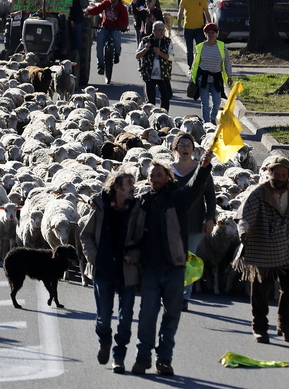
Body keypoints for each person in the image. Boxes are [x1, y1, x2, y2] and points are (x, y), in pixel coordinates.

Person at [129, 151, 213, 377]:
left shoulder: (178, 198)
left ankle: (164, 359)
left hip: (175, 268)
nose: (154, 179)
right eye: (151, 176)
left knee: (171, 315)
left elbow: (195, 187)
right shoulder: (143, 201)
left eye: (158, 175)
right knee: (147, 313)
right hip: (150, 268)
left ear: (167, 177)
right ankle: (143, 356)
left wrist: (204, 166)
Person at [236, 155, 289, 344]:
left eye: (283, 173)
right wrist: (244, 231)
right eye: (276, 173)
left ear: (288, 175)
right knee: (261, 290)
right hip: (264, 246)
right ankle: (260, 328)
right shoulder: (259, 193)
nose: (279, 176)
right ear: (270, 173)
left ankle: (285, 325)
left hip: (286, 246)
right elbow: (246, 215)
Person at [79, 170, 140, 374]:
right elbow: (85, 235)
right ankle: (104, 341)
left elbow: (143, 238)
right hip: (103, 269)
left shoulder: (136, 209)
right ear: (117, 187)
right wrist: (94, 257)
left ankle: (119, 356)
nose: (133, 187)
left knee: (125, 319)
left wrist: (135, 255)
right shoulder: (100, 207)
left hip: (127, 270)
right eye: (129, 184)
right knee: (104, 317)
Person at [169, 133, 216, 310]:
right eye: (181, 144)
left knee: (188, 260)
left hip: (195, 222)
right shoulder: (169, 171)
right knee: (172, 258)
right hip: (172, 223)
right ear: (175, 148)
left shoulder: (202, 171)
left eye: (189, 144)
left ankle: (184, 296)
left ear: (194, 149)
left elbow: (211, 196)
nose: (185, 147)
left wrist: (210, 218)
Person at [191, 23, 233, 123]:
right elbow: (195, 64)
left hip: (216, 78)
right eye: (208, 32)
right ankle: (206, 122)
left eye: (213, 32)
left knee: (217, 101)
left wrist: (229, 76)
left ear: (216, 33)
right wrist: (192, 78)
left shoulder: (222, 46)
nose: (211, 34)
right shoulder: (200, 47)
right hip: (203, 78)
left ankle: (213, 117)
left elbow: (227, 62)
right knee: (205, 102)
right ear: (205, 34)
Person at [85, 0, 129, 76]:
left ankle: (117, 54)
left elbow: (125, 20)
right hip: (105, 27)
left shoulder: (122, 8)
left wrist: (123, 27)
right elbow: (97, 9)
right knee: (99, 44)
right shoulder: (106, 4)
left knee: (117, 38)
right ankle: (100, 66)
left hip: (115, 28)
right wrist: (88, 12)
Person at [135, 20, 173, 111]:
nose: (162, 32)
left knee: (166, 98)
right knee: (150, 101)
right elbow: (137, 55)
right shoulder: (146, 40)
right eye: (159, 30)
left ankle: (164, 116)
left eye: (163, 30)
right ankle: (151, 117)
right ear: (153, 31)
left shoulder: (168, 41)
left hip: (164, 75)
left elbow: (171, 57)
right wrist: (145, 49)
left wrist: (159, 53)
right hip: (149, 75)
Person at [176, 0, 209, 65]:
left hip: (199, 28)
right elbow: (180, 13)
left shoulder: (202, 0)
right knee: (189, 50)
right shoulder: (185, 0)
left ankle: (198, 65)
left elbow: (206, 13)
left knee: (199, 49)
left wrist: (209, 25)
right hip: (188, 28)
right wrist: (179, 24)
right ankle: (190, 66)